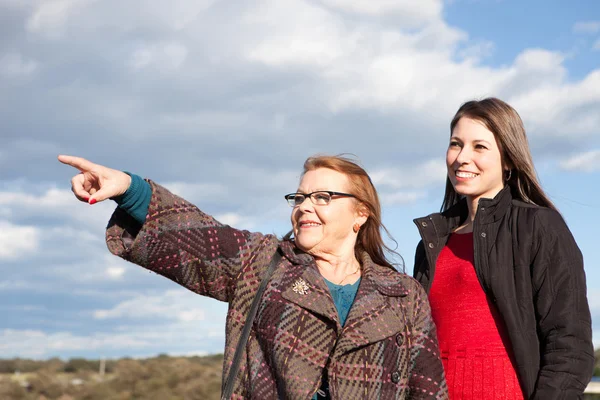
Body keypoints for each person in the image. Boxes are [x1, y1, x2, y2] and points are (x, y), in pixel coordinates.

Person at [59, 154, 448, 400]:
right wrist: (128, 189)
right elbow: (199, 236)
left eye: (322, 197)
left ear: (361, 214)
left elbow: (427, 386)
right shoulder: (265, 262)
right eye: (299, 198)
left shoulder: (402, 294)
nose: (304, 208)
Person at [412, 98, 594, 399]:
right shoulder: (431, 243)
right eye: (456, 144)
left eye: (479, 147)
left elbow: (570, 346)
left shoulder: (539, 227)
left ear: (508, 159)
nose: (462, 157)